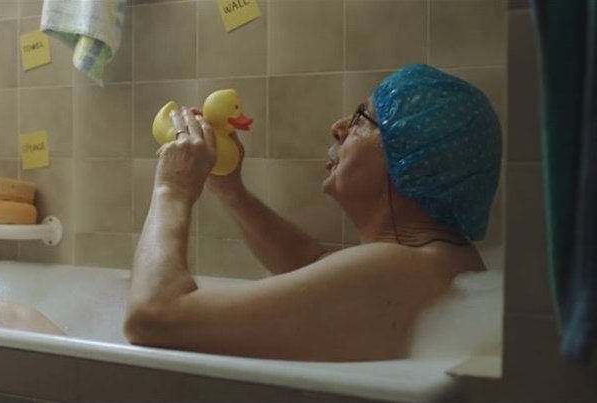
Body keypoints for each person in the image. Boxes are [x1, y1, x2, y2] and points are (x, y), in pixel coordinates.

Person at [124, 63, 502, 362]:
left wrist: (171, 188)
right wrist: (230, 189)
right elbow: (313, 264)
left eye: (362, 119)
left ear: (412, 157)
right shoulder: (441, 258)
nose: (339, 127)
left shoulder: (398, 269)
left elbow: (154, 316)